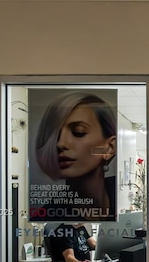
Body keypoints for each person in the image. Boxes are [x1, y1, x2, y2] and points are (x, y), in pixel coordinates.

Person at [33, 91, 117, 221]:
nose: (60, 144)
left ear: (109, 147)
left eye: (78, 132)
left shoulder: (118, 194)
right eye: (54, 135)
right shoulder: (47, 217)